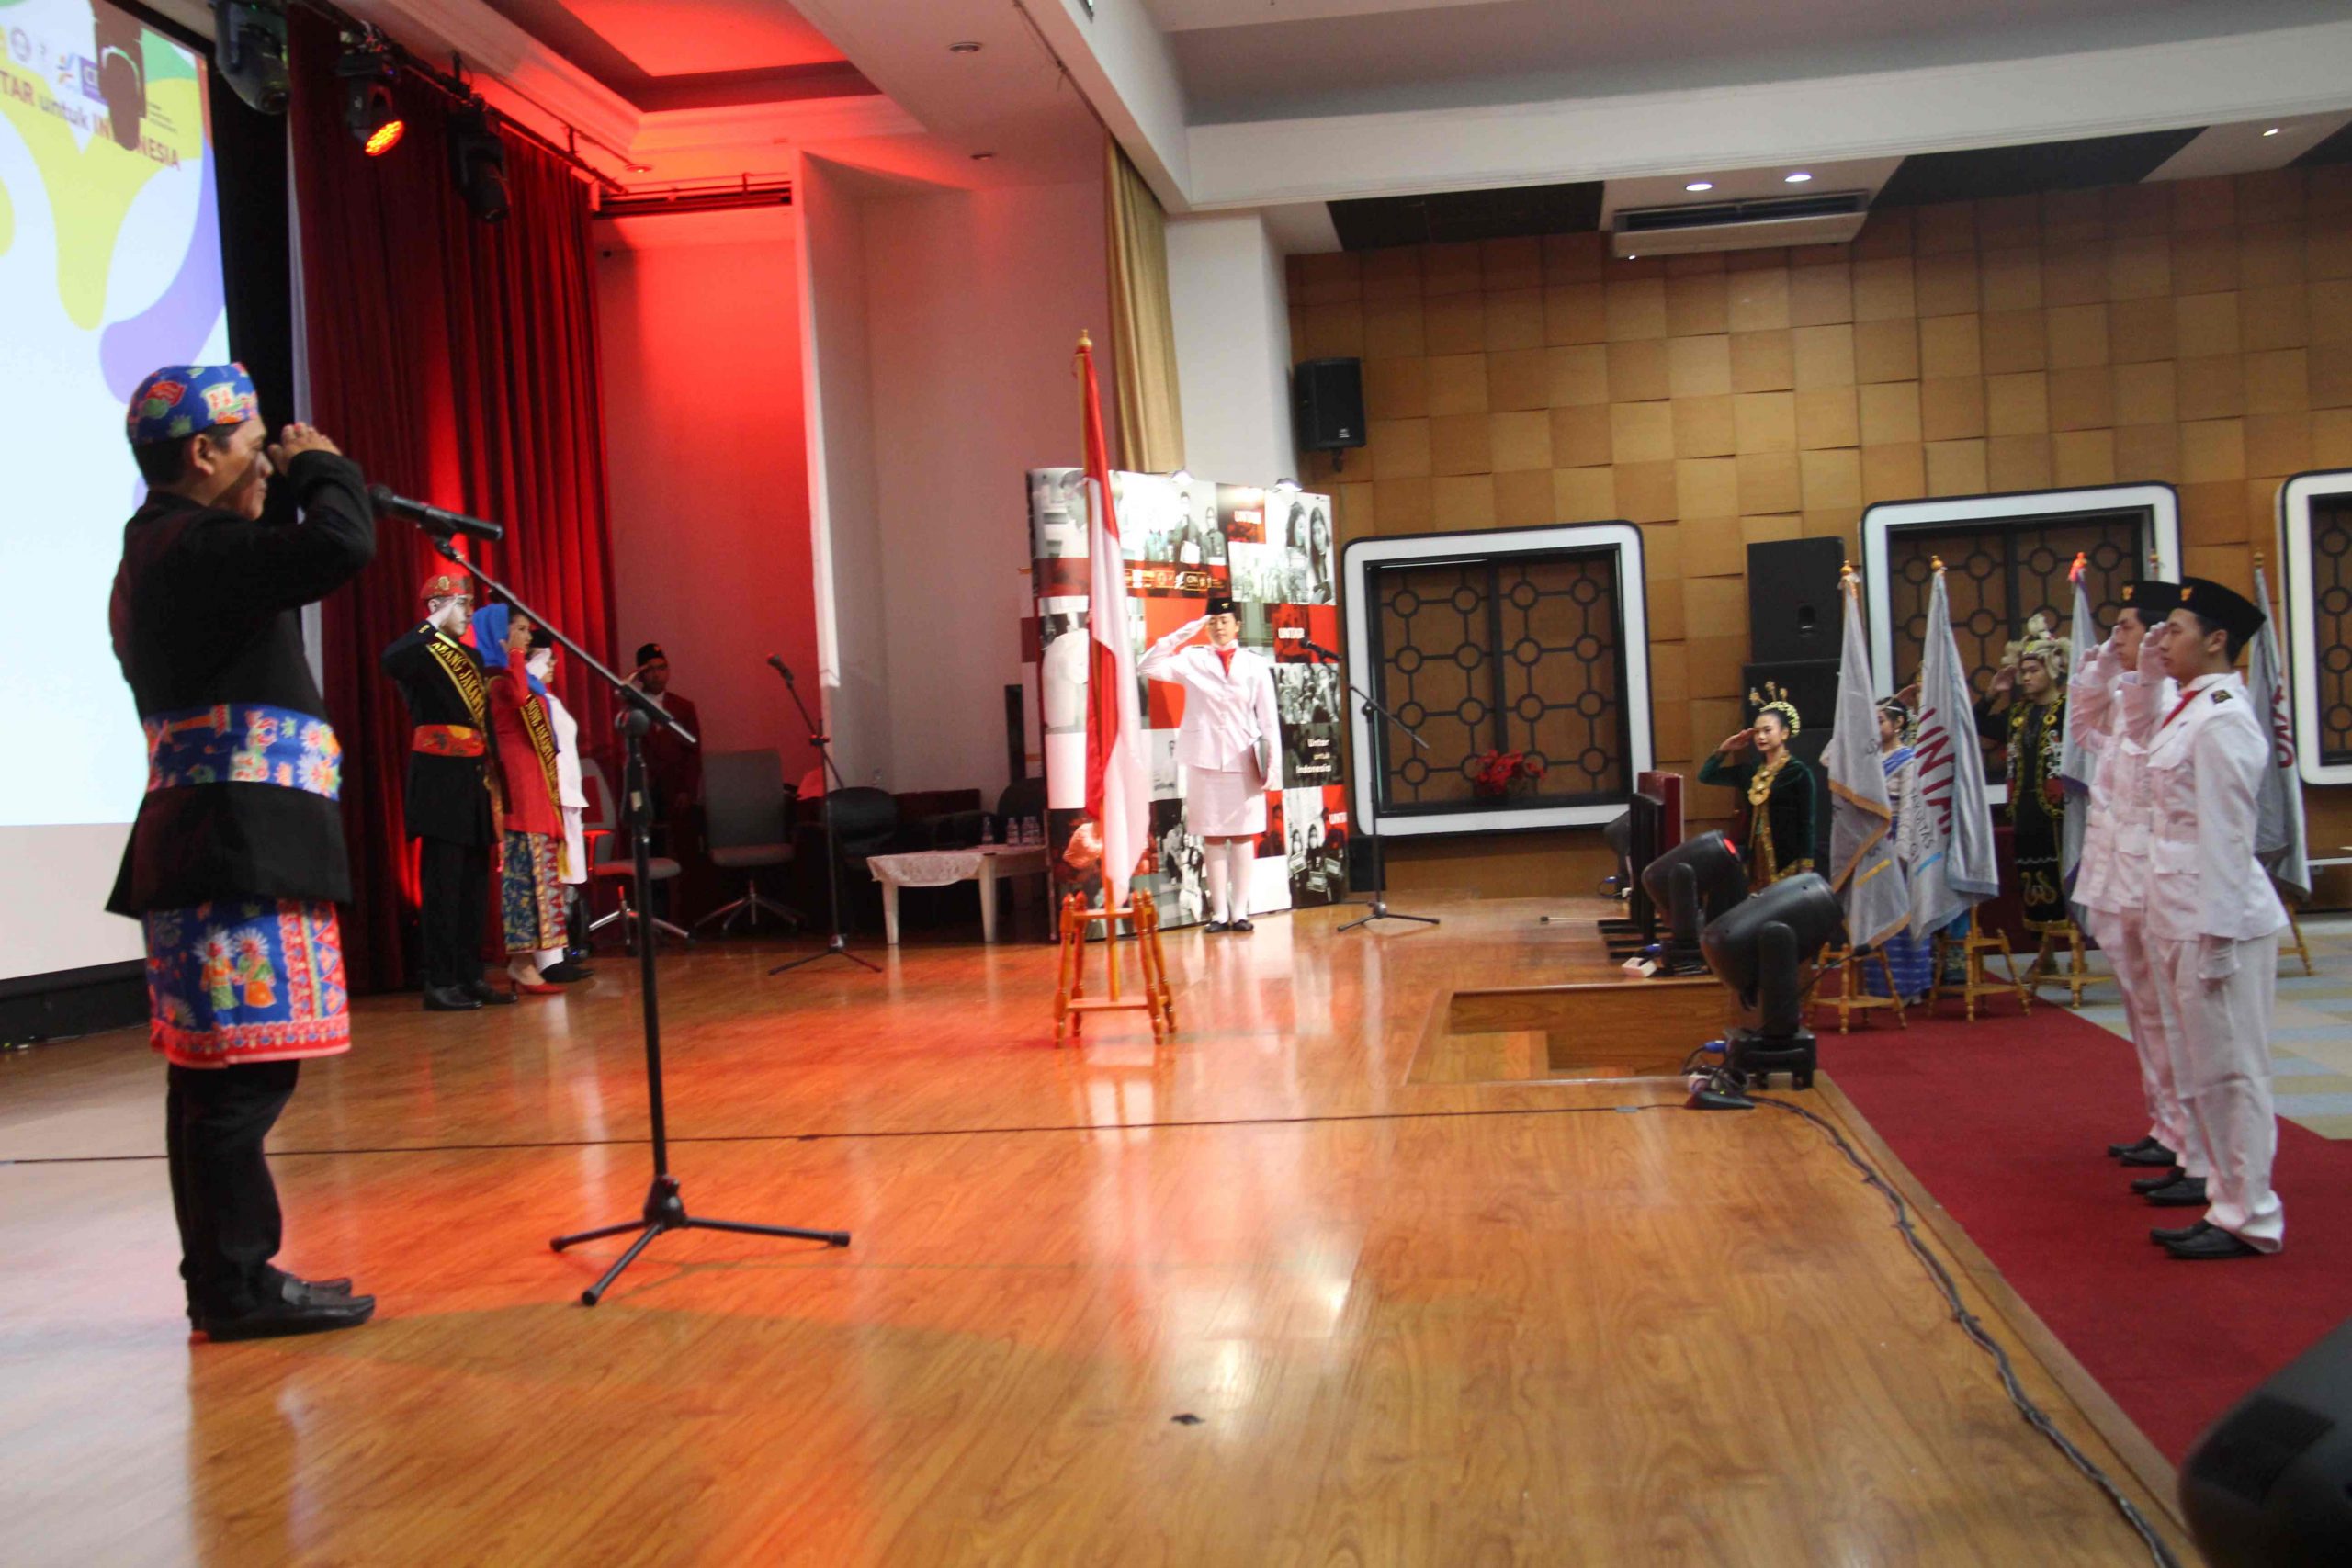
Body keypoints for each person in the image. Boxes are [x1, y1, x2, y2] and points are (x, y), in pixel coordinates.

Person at [108, 363, 377, 1341]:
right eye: (256, 443)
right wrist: (325, 468)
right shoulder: (192, 544)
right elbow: (340, 545)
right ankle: (236, 1285)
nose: (268, 459)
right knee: (237, 1082)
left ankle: (228, 1280)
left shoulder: (166, 549)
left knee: (216, 1079)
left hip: (212, 839)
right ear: (202, 451)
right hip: (233, 842)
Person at [2124, 578, 2290, 1260]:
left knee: (2234, 1075)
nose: (2162, 639)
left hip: (2218, 920)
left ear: (2218, 640)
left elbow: (2227, 836)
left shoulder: (2222, 716)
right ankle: (2225, 1199)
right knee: (2201, 1071)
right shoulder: (2186, 708)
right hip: (2179, 911)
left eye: (2176, 629)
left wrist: (2217, 937)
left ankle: (2251, 1215)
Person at [2069, 581, 2198, 1190]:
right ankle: (2165, 1123)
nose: (2114, 636)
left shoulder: (2163, 700)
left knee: (2169, 1012)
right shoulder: (2127, 699)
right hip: (2115, 871)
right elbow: (2082, 727)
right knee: (2143, 1009)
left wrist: (2126, 668)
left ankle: (2189, 1137)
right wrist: (2099, 665)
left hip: (2152, 877)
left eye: (2125, 627)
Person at [382, 570, 514, 1012]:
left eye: (471, 603)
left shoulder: (471, 658)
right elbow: (391, 659)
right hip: (439, 781)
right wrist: (432, 624)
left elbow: (485, 724)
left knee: (474, 889)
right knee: (443, 887)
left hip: (474, 780)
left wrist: (497, 787)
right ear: (437, 607)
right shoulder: (420, 651)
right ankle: (439, 981)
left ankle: (470, 975)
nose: (470, 611)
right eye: (462, 603)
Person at [1140, 594, 1281, 931]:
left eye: (1225, 621)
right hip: (1204, 760)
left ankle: (1240, 912)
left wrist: (1274, 764)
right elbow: (1147, 666)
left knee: (1243, 836)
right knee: (1213, 836)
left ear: (1237, 625)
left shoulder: (1254, 664)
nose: (1219, 627)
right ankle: (1218, 913)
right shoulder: (1193, 659)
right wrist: (1184, 632)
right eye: (1213, 622)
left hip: (1244, 758)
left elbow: (1268, 718)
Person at [480, 606, 570, 997]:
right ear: (498, 634)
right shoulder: (497, 680)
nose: (527, 637)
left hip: (536, 787)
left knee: (539, 877)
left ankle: (527, 962)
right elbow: (518, 697)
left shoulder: (517, 677)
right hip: (518, 789)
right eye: (519, 630)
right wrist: (515, 654)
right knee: (522, 880)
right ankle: (520, 962)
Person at [1976, 617, 2070, 941]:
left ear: (2052, 669)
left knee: (2062, 875)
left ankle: (2071, 947)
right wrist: (1992, 694)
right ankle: (2045, 950)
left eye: (2034, 670)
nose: (2026, 677)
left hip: (2060, 813)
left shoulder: (2069, 710)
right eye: (2024, 671)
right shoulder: (2017, 714)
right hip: (2025, 812)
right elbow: (1976, 725)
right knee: (2030, 877)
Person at [1700, 685, 1816, 891]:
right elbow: (1706, 776)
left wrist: (1806, 865)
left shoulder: (1798, 773)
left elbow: (1807, 822)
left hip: (1787, 860)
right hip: (1755, 859)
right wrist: (1724, 749)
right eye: (1756, 732)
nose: (1760, 736)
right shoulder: (1750, 771)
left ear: (1784, 733)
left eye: (1767, 730)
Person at [530, 632, 595, 983]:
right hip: (550, 797)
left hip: (567, 796)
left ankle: (558, 953)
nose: (554, 663)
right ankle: (547, 960)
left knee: (564, 881)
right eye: (547, 657)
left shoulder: (549, 698)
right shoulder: (531, 696)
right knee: (550, 879)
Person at [1867, 698, 1934, 1002]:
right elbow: (1829, 758)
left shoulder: (1908, 759)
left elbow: (1908, 808)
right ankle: (1879, 987)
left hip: (1896, 838)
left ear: (1898, 724)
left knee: (1902, 916)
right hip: (1871, 842)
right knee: (1876, 915)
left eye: (1880, 720)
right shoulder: (1867, 757)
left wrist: (1902, 851)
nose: (1874, 725)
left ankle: (1908, 989)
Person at [631, 640, 703, 830]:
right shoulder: (632, 708)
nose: (657, 675)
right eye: (650, 670)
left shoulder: (683, 707)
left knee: (680, 838)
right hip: (645, 790)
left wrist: (687, 790)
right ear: (640, 675)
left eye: (662, 668)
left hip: (676, 790)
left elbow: (693, 753)